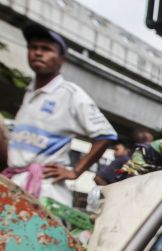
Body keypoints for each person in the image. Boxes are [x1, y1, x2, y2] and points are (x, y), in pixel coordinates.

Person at [2, 24, 117, 205]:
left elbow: (106, 135)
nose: (38, 53)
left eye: (46, 49)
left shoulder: (70, 94)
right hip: (14, 183)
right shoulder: (30, 93)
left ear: (62, 59)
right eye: (33, 48)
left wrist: (74, 171)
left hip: (45, 190)